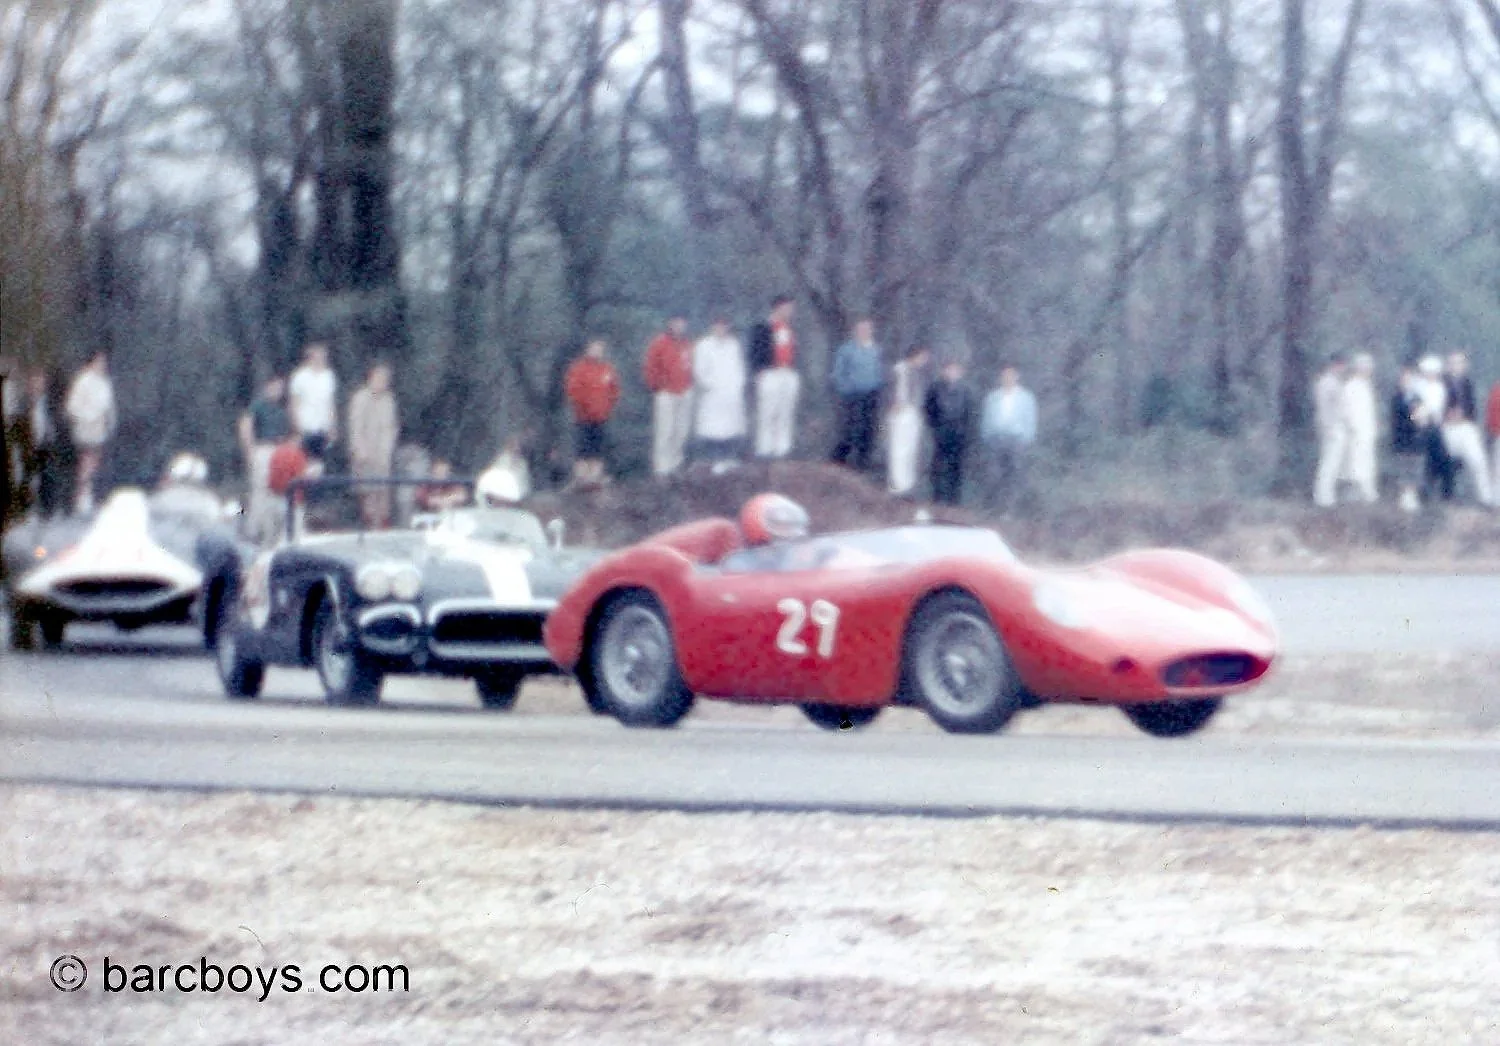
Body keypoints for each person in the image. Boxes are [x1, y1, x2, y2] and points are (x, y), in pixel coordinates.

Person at [979, 364, 1039, 513]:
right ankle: (992, 508)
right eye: (1005, 375)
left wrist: (1026, 438)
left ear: (1017, 377)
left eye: (1011, 375)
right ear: (1001, 378)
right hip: (995, 439)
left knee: (1014, 475)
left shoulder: (1026, 397)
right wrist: (986, 436)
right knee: (993, 474)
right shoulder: (992, 397)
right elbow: (986, 419)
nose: (1008, 378)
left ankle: (1009, 510)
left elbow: (1031, 420)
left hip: (1016, 440)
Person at [238, 375, 290, 543]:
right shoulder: (259, 406)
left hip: (279, 451)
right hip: (263, 449)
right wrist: (250, 450)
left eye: (280, 388)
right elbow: (246, 424)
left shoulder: (281, 409)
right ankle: (254, 530)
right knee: (260, 490)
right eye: (275, 387)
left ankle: (272, 532)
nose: (278, 391)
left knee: (276, 492)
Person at [347, 361, 400, 527]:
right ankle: (370, 526)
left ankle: (381, 526)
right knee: (367, 493)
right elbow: (355, 426)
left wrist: (389, 447)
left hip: (383, 456)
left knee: (383, 494)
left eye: (385, 379)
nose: (383, 382)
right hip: (366, 455)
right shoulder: (360, 398)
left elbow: (392, 426)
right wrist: (360, 449)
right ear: (371, 378)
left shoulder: (389, 400)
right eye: (379, 378)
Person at [692, 316, 747, 473]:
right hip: (712, 394)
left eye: (724, 326)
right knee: (713, 428)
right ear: (712, 327)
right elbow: (699, 371)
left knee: (731, 427)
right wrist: (711, 386)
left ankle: (729, 458)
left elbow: (739, 367)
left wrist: (738, 386)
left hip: (731, 393)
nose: (721, 329)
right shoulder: (704, 345)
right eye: (718, 326)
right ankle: (714, 459)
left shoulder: (733, 345)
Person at [748, 296, 800, 459]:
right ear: (777, 308)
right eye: (786, 308)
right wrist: (758, 370)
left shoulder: (790, 329)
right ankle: (765, 448)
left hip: (787, 372)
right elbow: (754, 350)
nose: (790, 312)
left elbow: (793, 350)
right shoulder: (763, 327)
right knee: (768, 412)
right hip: (770, 373)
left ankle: (782, 448)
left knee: (785, 412)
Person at [563, 338, 620, 487]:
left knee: (598, 447)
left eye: (600, 348)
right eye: (594, 348)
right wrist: (582, 407)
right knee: (583, 446)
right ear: (588, 349)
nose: (597, 351)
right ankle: (582, 477)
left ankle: (595, 477)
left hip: (601, 416)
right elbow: (573, 390)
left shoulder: (607, 369)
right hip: (584, 415)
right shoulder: (579, 368)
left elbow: (614, 389)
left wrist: (608, 406)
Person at [65, 351, 116, 515]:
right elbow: (72, 407)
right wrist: (88, 417)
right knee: (85, 465)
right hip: (85, 430)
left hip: (99, 431)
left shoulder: (104, 382)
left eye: (104, 361)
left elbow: (109, 406)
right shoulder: (82, 380)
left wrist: (109, 423)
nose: (102, 365)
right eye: (99, 361)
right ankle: (81, 498)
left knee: (94, 464)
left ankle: (91, 495)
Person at [643, 316, 695, 477]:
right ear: (670, 324)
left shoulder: (687, 344)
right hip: (665, 392)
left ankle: (676, 462)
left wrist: (690, 384)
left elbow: (692, 365)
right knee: (665, 429)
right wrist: (657, 386)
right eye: (676, 323)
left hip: (685, 390)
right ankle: (662, 467)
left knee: (682, 429)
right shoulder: (659, 343)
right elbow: (650, 366)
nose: (679, 326)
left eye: (682, 323)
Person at [830, 318, 884, 471]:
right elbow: (838, 373)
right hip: (853, 395)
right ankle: (838, 459)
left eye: (867, 329)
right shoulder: (846, 350)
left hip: (871, 394)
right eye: (861, 329)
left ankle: (863, 461)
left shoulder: (876, 349)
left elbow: (879, 370)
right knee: (851, 427)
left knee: (869, 428)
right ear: (855, 331)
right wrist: (845, 390)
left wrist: (878, 387)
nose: (864, 332)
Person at [924, 360, 975, 506]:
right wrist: (935, 427)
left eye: (955, 370)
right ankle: (937, 496)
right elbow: (929, 410)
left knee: (956, 467)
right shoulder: (935, 388)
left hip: (959, 434)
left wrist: (966, 431)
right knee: (938, 465)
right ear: (944, 371)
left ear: (960, 373)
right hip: (941, 432)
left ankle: (954, 499)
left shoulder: (966, 391)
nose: (952, 373)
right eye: (949, 370)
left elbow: (970, 413)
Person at [1442, 351, 1490, 505]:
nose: (1456, 366)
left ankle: (1486, 497)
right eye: (1453, 363)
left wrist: (1465, 417)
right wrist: (1449, 414)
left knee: (1478, 460)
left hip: (1466, 426)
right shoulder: (1442, 383)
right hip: (1447, 428)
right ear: (1448, 366)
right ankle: (1448, 497)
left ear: (1465, 366)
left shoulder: (1468, 383)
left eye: (1460, 363)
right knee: (1448, 462)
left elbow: (1472, 408)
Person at [887, 347, 929, 497]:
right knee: (899, 449)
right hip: (900, 413)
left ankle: (909, 484)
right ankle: (898, 483)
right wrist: (894, 404)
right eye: (922, 357)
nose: (924, 361)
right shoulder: (899, 370)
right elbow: (892, 391)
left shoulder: (918, 373)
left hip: (913, 412)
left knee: (911, 449)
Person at [1339, 353, 1379, 503]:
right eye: (1365, 368)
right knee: (1354, 462)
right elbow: (1346, 410)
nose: (1368, 371)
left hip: (1367, 430)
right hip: (1356, 431)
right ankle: (1356, 492)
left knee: (1367, 461)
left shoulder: (1366, 386)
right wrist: (1353, 426)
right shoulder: (1351, 386)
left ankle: (1368, 491)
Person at [288, 342, 338, 462]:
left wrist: (333, 426)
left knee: (319, 464)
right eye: (317, 356)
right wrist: (297, 428)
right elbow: (294, 403)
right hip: (305, 428)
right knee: (304, 463)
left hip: (323, 428)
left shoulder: (328, 376)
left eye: (323, 356)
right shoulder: (299, 376)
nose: (321, 359)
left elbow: (330, 403)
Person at [1414, 356, 1454, 503]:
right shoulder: (1417, 386)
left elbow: (1439, 408)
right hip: (1420, 427)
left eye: (1434, 372)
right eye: (1428, 372)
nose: (1431, 375)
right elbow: (1414, 410)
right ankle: (1423, 492)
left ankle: (1447, 493)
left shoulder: (1440, 388)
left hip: (1436, 426)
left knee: (1443, 458)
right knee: (1425, 461)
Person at [1311, 354, 1349, 508]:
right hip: (1332, 427)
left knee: (1333, 462)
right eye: (1341, 365)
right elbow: (1324, 410)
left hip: (1335, 427)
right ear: (1335, 365)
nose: (1343, 369)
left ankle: (1327, 494)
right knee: (1329, 462)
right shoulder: (1327, 383)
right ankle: (1323, 496)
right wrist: (1329, 429)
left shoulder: (1332, 382)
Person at [1390, 363, 1426, 512]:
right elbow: (1396, 419)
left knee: (1416, 466)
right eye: (1404, 380)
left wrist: (1419, 420)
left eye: (1410, 380)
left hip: (1416, 438)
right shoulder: (1396, 399)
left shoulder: (1418, 398)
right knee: (1403, 467)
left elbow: (1421, 417)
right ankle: (1404, 494)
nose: (1407, 382)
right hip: (1402, 438)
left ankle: (1413, 494)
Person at [485, 435, 532, 501]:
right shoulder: (501, 461)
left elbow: (525, 484)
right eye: (514, 445)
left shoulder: (523, 463)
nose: (517, 448)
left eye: (518, 445)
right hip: (501, 498)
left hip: (521, 498)